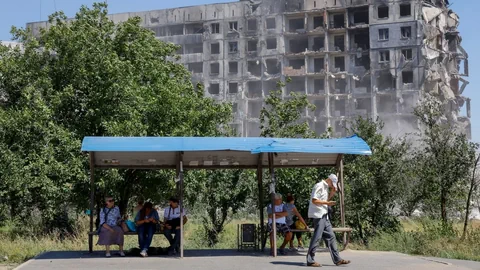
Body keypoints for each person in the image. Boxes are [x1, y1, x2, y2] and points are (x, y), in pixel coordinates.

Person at [306, 174, 350, 267]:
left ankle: (337, 260)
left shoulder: (325, 188)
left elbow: (325, 200)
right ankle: (310, 260)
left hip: (324, 215)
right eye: (332, 184)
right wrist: (327, 203)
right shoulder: (319, 185)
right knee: (317, 237)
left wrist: (332, 193)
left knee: (331, 236)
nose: (332, 186)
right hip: (318, 215)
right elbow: (314, 200)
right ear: (329, 180)